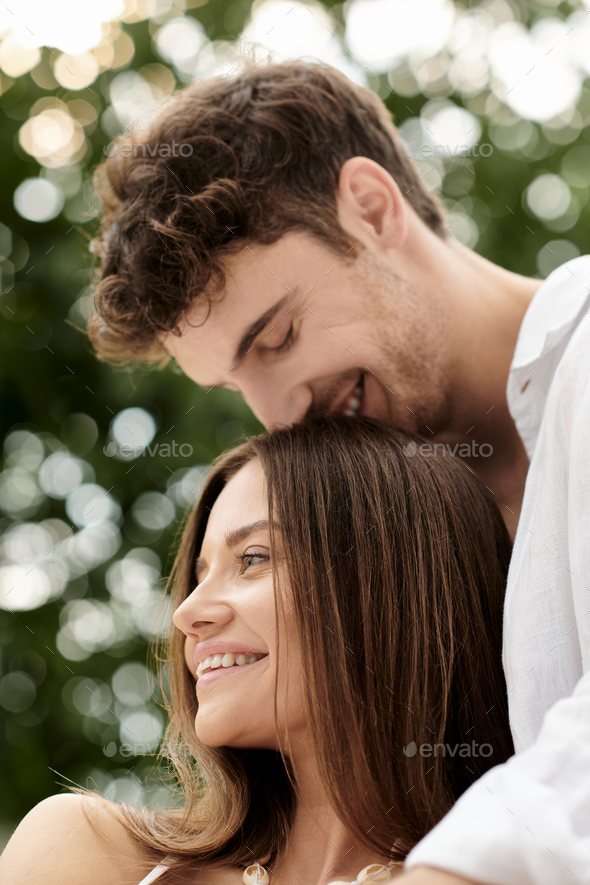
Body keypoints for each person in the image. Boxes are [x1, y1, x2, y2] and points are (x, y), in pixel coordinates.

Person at [84, 58, 590, 884]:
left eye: (277, 338)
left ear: (371, 206)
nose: (281, 415)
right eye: (235, 385)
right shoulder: (406, 531)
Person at [0, 416, 514, 885]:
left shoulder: (511, 867)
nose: (186, 613)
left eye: (252, 558)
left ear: (396, 587)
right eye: (199, 575)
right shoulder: (83, 850)